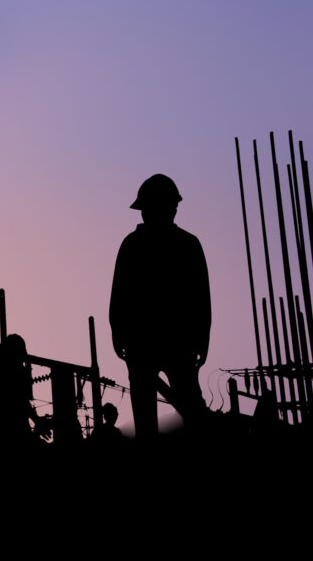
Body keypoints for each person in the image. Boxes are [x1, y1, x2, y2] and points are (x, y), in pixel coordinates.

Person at [108, 173, 211, 438]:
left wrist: (119, 335)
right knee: (178, 411)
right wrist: (201, 341)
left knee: (179, 411)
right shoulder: (185, 244)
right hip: (161, 342)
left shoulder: (138, 245)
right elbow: (120, 295)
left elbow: (200, 298)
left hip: (158, 342)